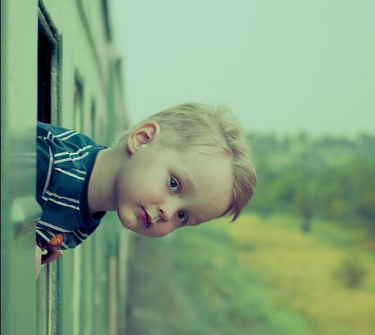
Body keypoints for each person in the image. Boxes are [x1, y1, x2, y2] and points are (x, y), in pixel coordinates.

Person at [35, 102, 257, 277]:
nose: (167, 213)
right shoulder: (48, 162)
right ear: (143, 139)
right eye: (174, 184)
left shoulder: (87, 215)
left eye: (183, 216)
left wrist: (45, 240)